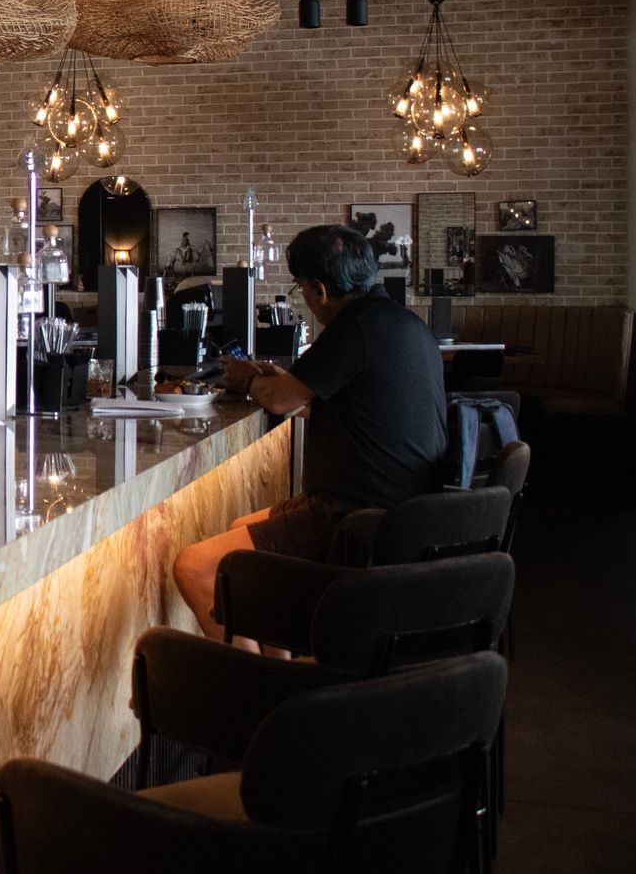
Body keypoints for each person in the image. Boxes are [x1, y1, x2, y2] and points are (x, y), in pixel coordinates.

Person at [173, 224, 448, 640]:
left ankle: (245, 692)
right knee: (238, 529)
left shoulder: (352, 329)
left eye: (300, 285)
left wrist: (248, 381)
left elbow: (283, 401)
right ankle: (278, 667)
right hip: (401, 512)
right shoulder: (398, 322)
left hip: (358, 520)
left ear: (318, 289)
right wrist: (277, 380)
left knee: (194, 566)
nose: (302, 294)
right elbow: (319, 395)